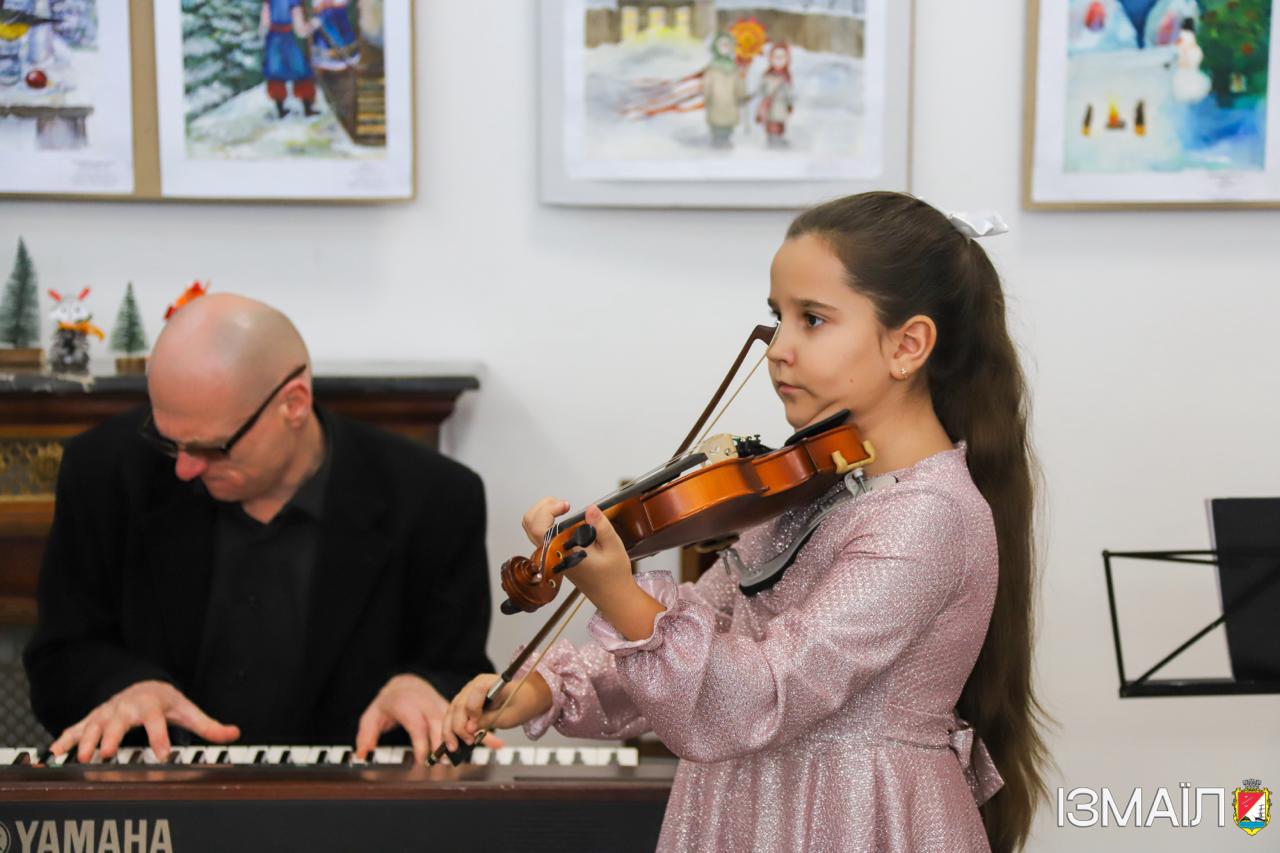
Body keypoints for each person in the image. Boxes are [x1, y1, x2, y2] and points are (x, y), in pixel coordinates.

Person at [444, 193, 1049, 852]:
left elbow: (758, 695)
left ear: (908, 345)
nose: (777, 349)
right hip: (746, 810)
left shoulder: (927, 518)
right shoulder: (816, 493)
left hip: (857, 819)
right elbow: (700, 655)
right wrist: (547, 689)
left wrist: (616, 592)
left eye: (812, 319)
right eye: (777, 317)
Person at [25, 293, 494, 764]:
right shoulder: (105, 471)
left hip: (350, 798)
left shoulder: (435, 498)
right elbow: (58, 657)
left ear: (294, 404)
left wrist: (424, 688)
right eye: (169, 441)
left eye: (212, 447)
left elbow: (459, 672)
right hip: (160, 791)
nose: (184, 468)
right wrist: (124, 687)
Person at [260, 0, 318, 118]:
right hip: (287, 41)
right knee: (301, 72)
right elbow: (301, 31)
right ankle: (307, 109)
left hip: (273, 41)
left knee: (275, 73)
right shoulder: (294, 2)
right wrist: (313, 25)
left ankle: (281, 110)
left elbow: (264, 25)